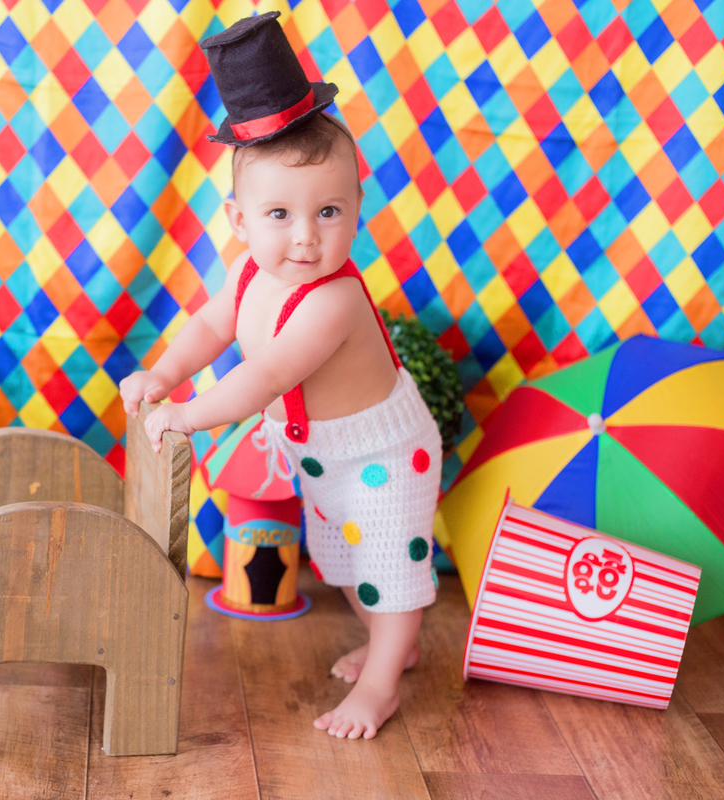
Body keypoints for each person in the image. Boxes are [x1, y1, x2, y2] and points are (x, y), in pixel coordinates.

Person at [119, 12, 441, 741]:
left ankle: (384, 683)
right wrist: (164, 371)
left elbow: (266, 374)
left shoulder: (335, 301)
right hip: (322, 453)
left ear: (357, 211)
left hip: (384, 453)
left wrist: (190, 414)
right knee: (349, 562)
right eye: (280, 213)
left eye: (329, 211)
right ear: (237, 219)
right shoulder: (246, 274)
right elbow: (210, 327)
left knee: (388, 565)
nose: (305, 236)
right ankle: (398, 641)